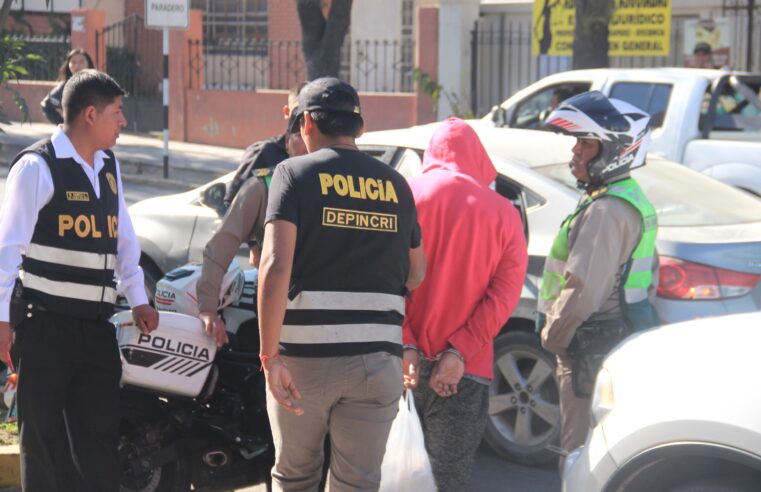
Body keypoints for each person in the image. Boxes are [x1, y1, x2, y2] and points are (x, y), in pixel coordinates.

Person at [257, 77, 425, 491]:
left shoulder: (293, 173)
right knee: (357, 483)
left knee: (295, 477)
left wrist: (268, 355)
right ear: (360, 129)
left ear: (308, 123)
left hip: (304, 364)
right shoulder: (397, 185)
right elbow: (417, 273)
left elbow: (276, 265)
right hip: (378, 363)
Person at [0, 69, 159, 491]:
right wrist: (1, 320)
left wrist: (139, 298)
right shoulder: (37, 167)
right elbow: (6, 251)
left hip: (95, 330)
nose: (123, 122)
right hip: (44, 328)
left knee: (97, 444)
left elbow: (124, 238)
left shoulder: (108, 166)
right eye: (117, 113)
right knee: (44, 444)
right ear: (91, 114)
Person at [401, 118, 528, 491]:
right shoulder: (504, 213)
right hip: (464, 370)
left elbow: (381, 280)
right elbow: (505, 295)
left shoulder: (404, 196)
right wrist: (459, 351)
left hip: (397, 361)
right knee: (447, 477)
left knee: (388, 469)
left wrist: (405, 342)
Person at [538, 91, 659, 460]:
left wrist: (553, 336)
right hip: (613, 338)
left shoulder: (607, 210)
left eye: (586, 144)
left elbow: (583, 289)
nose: (575, 152)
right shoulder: (621, 197)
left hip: (589, 345)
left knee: (579, 456)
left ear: (615, 150)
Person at [197, 109, 308, 349]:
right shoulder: (263, 187)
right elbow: (222, 244)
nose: (308, 140)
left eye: (312, 132)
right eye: (300, 133)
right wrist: (207, 307)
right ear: (287, 141)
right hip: (278, 319)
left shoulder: (341, 188)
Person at [224, 82, 308, 209]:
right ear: (287, 112)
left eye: (308, 114)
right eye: (297, 112)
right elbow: (234, 205)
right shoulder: (264, 152)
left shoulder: (326, 156)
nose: (303, 120)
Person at [40, 48, 95, 125]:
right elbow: (47, 105)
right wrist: (63, 122)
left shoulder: (97, 86)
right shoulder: (64, 87)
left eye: (81, 62)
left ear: (88, 64)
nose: (77, 66)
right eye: (73, 62)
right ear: (68, 64)